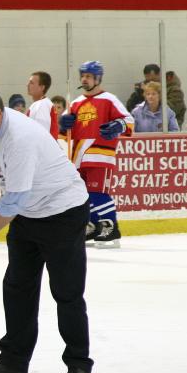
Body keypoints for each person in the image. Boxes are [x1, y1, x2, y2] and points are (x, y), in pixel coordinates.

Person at [0, 87, 93, 373]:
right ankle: (12, 362)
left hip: (63, 212)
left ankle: (78, 365)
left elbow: (13, 200)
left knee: (66, 291)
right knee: (17, 287)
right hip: (28, 214)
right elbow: (14, 196)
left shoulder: (20, 139)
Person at [59, 60, 133, 247]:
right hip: (79, 158)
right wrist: (63, 124)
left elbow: (129, 121)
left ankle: (110, 227)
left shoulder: (109, 99)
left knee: (97, 192)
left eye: (89, 76)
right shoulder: (75, 103)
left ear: (98, 78)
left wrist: (118, 125)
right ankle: (92, 226)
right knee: (83, 195)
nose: (85, 79)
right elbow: (64, 134)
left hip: (101, 155)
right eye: (83, 75)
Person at [126, 64, 187, 128]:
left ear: (160, 75)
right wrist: (139, 95)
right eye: (148, 81)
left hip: (167, 128)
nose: (151, 83)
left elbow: (172, 109)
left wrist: (152, 96)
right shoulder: (145, 88)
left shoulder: (174, 90)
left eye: (154, 80)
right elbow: (130, 108)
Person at [26, 71, 59, 140]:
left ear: (42, 87)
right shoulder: (40, 104)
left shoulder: (42, 105)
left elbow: (41, 136)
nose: (27, 85)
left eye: (31, 83)